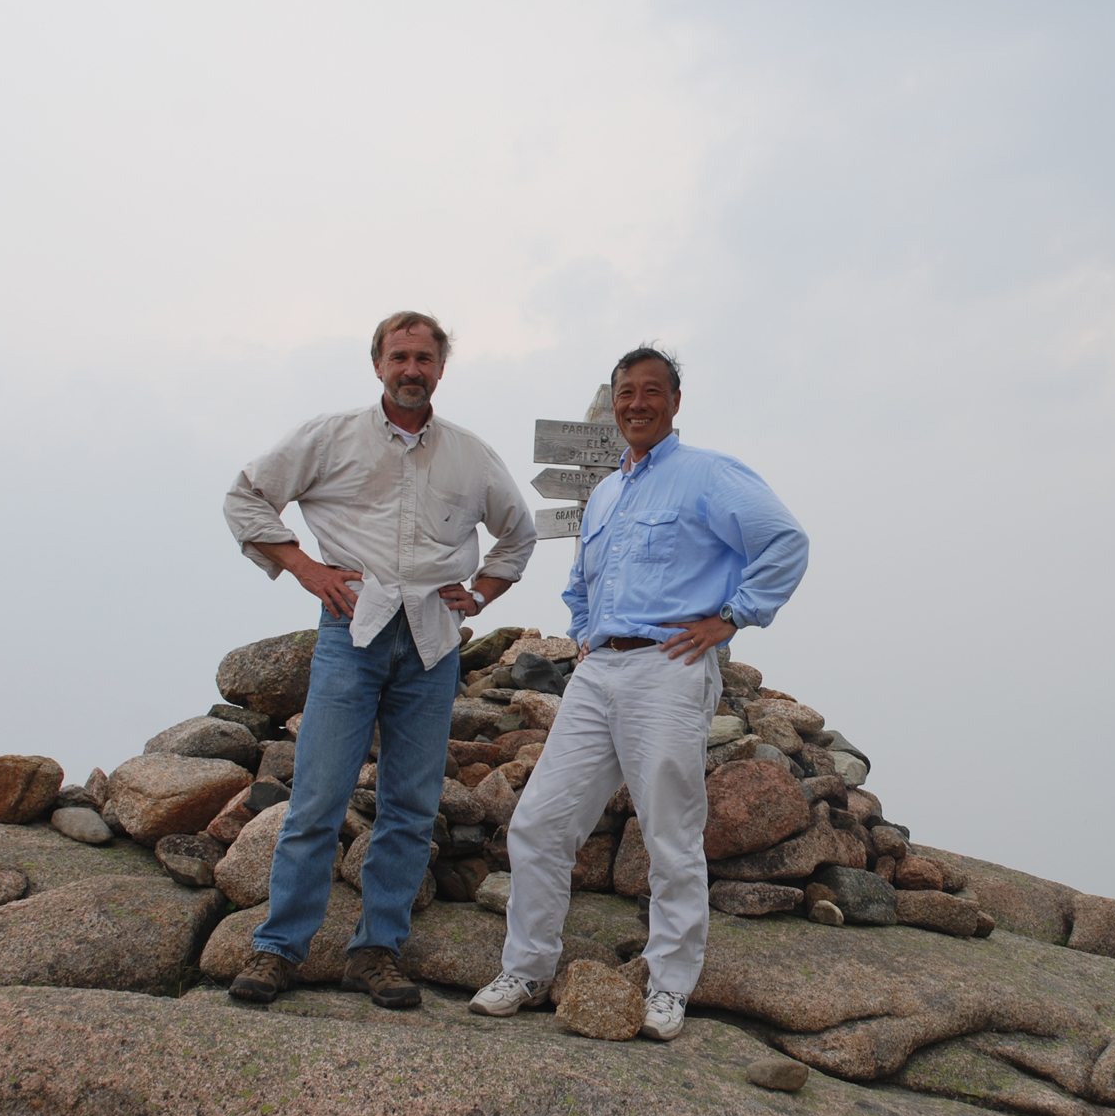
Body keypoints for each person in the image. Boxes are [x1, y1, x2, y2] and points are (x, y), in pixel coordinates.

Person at [469, 345, 808, 1040]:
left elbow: (785, 542)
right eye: (626, 392)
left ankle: (668, 986)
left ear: (675, 402)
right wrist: (583, 634)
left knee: (670, 834)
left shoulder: (708, 473)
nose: (637, 403)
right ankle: (527, 970)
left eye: (652, 391)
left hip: (669, 667)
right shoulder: (606, 493)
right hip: (599, 671)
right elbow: (581, 582)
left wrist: (732, 617)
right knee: (539, 823)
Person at [222, 311, 537, 1007]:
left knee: (411, 807)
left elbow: (518, 535)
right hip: (352, 630)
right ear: (378, 365)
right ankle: (278, 950)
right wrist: (306, 568)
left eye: (424, 358)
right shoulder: (330, 436)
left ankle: (376, 952)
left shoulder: (471, 454)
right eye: (400, 357)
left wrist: (480, 594)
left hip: (432, 641)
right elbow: (245, 498)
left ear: (441, 369)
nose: (411, 369)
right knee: (317, 798)